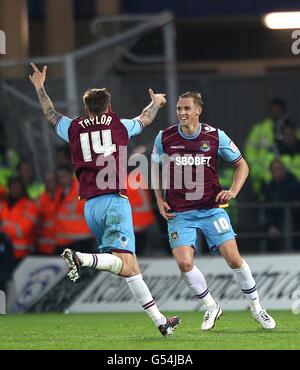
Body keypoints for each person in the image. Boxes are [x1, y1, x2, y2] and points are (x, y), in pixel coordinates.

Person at [29, 63, 180, 336]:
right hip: (114, 201)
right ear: (109, 108)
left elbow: (50, 114)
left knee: (129, 268)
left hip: (90, 206)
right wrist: (156, 102)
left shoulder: (74, 128)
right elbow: (145, 119)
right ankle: (82, 259)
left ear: (87, 109)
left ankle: (161, 322)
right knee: (124, 263)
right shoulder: (119, 124)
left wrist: (40, 86)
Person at [152, 91, 276, 330]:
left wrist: (233, 191)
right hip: (180, 212)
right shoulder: (164, 137)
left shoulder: (215, 136)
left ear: (198, 110)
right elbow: (155, 169)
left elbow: (242, 165)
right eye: (179, 109)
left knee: (233, 259)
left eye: (187, 108)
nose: (182, 113)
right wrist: (158, 199)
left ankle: (257, 309)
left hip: (211, 209)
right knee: (184, 264)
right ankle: (211, 306)